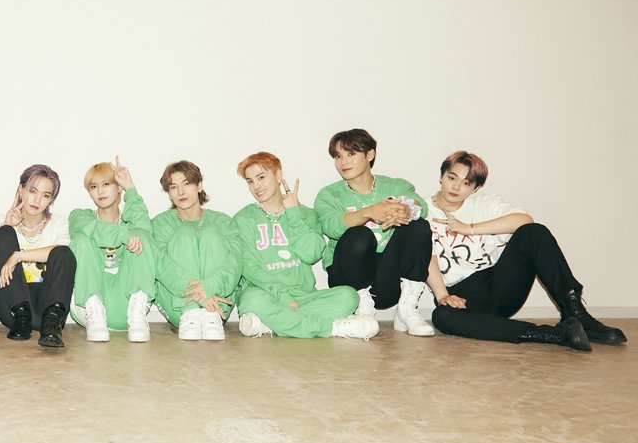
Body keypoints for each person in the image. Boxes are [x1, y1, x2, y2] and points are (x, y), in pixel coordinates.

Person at [425, 150, 624, 351]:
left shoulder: (483, 203)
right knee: (442, 317)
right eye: (452, 178)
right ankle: (556, 334)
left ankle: (576, 313)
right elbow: (426, 255)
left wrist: (469, 228)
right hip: (461, 297)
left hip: (499, 284)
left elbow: (524, 220)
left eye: (466, 183)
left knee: (533, 232)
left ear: (475, 188)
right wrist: (443, 296)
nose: (456, 187)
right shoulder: (423, 210)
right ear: (441, 176)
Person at [232, 153, 378, 340]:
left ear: (278, 175)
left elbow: (311, 254)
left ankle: (271, 323)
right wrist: (283, 297)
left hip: (304, 296)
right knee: (250, 299)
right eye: (250, 181)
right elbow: (249, 267)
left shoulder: (306, 214)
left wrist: (294, 213)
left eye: (261, 177)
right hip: (266, 293)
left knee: (349, 296)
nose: (256, 186)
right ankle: (330, 328)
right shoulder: (243, 219)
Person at [314, 128, 434, 336]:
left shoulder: (394, 186)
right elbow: (331, 227)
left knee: (418, 225)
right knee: (359, 234)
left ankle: (407, 309)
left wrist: (406, 209)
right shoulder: (329, 194)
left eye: (351, 154)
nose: (343, 162)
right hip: (347, 279)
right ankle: (363, 310)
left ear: (370, 154)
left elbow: (420, 205)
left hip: (385, 278)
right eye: (338, 156)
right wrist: (369, 212)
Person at [150, 160, 242, 341]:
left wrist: (209, 288)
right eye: (173, 187)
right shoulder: (160, 224)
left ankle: (211, 315)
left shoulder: (223, 221)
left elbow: (236, 261)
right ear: (169, 193)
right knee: (184, 233)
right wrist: (199, 296)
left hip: (218, 304)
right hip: (178, 305)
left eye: (186, 184)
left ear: (199, 186)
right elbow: (160, 264)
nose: (181, 192)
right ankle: (190, 312)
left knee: (211, 232)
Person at [0, 164, 77, 349]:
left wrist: (18, 256)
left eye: (46, 195)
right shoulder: (0, 221)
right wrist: (7, 225)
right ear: (21, 190)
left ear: (51, 200)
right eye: (32, 191)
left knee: (64, 253)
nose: (37, 200)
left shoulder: (59, 223)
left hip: (46, 308)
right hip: (13, 311)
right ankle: (22, 314)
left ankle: (52, 324)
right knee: (2, 234)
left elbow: (61, 256)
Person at [68, 157, 155, 342]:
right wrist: (122, 235)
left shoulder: (130, 225)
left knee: (142, 235)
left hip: (126, 304)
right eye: (94, 186)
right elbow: (88, 228)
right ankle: (95, 313)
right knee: (82, 238)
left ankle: (137, 315)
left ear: (119, 187)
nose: (100, 191)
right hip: (88, 308)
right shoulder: (80, 216)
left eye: (106, 184)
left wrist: (130, 188)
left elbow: (145, 230)